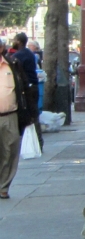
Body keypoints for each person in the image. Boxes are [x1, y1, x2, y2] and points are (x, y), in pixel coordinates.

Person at [0, 38, 31, 199]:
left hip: (10, 115)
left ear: (2, 48)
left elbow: (24, 87)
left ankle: (3, 186)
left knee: (10, 150)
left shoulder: (13, 65)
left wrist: (30, 113)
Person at [12, 32, 43, 151]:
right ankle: (38, 141)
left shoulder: (18, 56)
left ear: (19, 42)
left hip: (26, 89)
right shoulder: (30, 54)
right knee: (34, 114)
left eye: (15, 40)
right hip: (33, 86)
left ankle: (32, 142)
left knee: (28, 114)